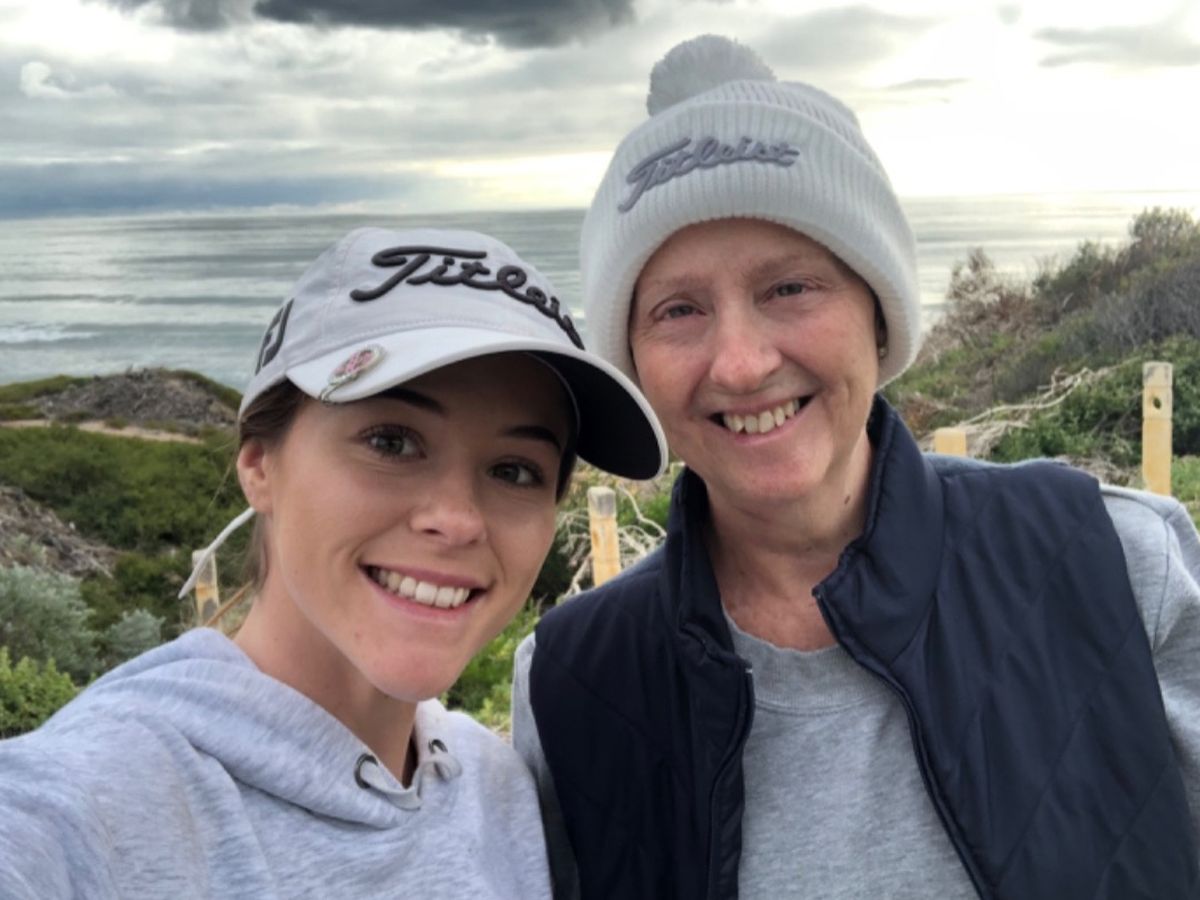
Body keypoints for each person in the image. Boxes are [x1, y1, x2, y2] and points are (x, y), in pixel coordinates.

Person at [512, 34, 1200, 899]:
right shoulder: (572, 683)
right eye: (678, 309)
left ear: (878, 316)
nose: (740, 364)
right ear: (635, 364)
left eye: (789, 287)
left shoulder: (1116, 564)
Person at [0, 226, 666, 899]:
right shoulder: (92, 807)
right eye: (391, 442)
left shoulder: (499, 788)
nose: (458, 519)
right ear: (260, 465)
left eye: (515, 470)